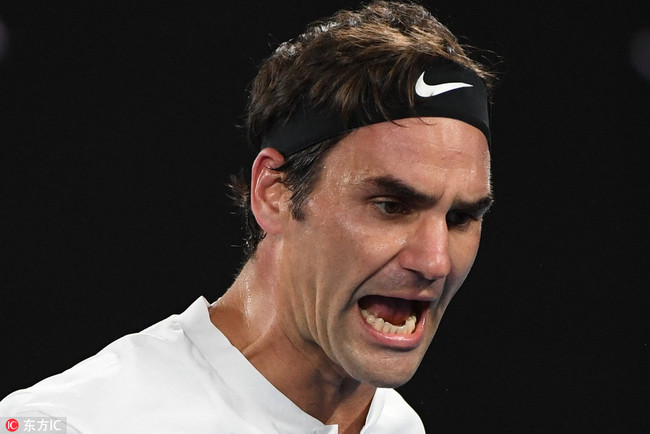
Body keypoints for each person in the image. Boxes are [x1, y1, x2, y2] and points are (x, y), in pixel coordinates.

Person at [0, 1, 495, 432]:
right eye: (391, 206)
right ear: (274, 193)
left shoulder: (398, 425)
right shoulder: (75, 422)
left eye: (459, 218)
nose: (434, 261)